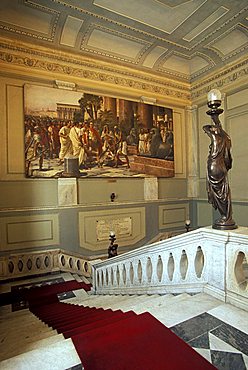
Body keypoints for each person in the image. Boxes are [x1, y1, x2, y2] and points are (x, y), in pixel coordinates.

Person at [203, 122, 237, 229]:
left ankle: (225, 216)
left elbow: (205, 128)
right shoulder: (225, 139)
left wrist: (213, 125)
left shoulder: (215, 137)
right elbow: (227, 159)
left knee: (218, 193)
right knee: (224, 193)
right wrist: (217, 125)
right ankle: (227, 216)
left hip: (214, 167)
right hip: (222, 167)